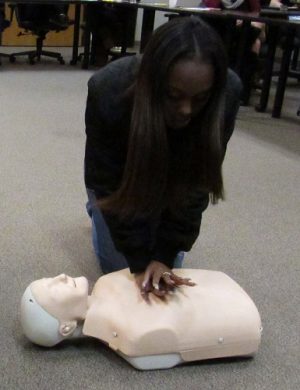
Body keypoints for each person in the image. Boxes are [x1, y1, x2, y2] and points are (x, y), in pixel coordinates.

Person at [84, 16, 242, 298]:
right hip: (123, 175)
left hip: (176, 172)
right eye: (173, 95)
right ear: (153, 83)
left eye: (199, 98)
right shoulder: (108, 89)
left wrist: (165, 254)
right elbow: (106, 178)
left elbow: (198, 182)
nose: (186, 110)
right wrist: (139, 260)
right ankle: (95, 210)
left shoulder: (226, 91)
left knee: (167, 273)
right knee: (121, 272)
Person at [20, 269, 262, 370]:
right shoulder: (131, 336)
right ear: (66, 327)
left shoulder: (106, 283)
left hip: (220, 296)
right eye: (53, 289)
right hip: (235, 314)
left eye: (48, 279)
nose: (60, 276)